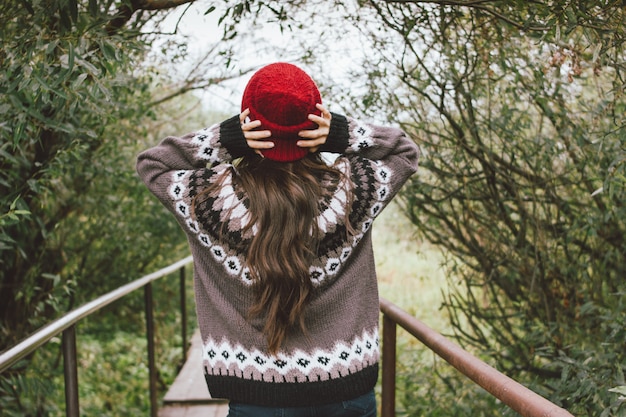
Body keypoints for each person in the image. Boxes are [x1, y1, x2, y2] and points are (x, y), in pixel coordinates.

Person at [137, 62, 419, 417]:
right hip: (347, 388)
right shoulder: (354, 189)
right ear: (317, 121)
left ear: (247, 124)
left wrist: (224, 139)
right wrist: (342, 134)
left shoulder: (209, 198)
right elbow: (404, 152)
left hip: (257, 395)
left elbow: (152, 164)